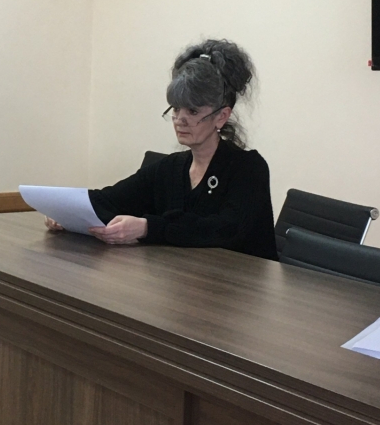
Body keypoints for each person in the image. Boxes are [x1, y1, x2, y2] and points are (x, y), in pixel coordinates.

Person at [45, 39, 278, 261]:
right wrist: (67, 212)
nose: (180, 120)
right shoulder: (170, 168)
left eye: (193, 111)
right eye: (176, 109)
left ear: (221, 116)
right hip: (185, 280)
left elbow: (225, 230)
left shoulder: (249, 168)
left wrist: (148, 227)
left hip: (241, 284)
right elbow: (111, 200)